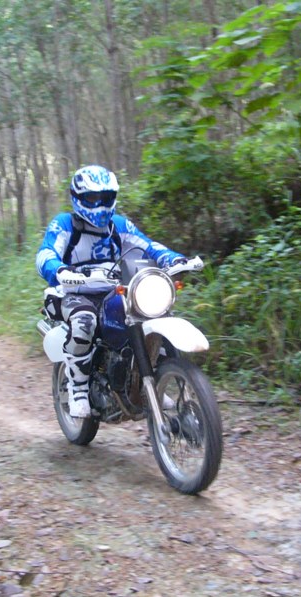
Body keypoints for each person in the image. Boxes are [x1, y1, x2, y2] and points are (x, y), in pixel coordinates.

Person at [36, 165, 186, 418]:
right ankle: (78, 388)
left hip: (114, 289)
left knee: (152, 314)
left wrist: (174, 259)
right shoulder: (64, 224)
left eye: (105, 197)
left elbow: (149, 246)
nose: (100, 205)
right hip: (74, 292)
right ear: (78, 198)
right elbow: (45, 253)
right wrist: (59, 270)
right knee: (84, 321)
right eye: (92, 198)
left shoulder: (119, 225)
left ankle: (151, 381)